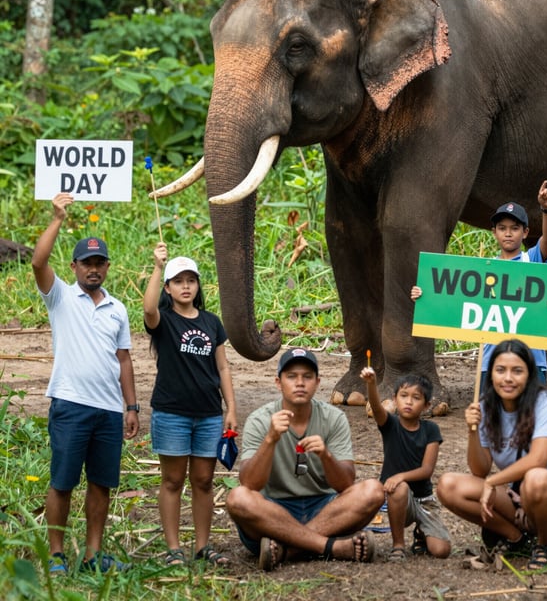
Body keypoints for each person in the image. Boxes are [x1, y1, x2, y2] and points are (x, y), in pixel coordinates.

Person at [31, 192, 139, 574]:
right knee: (62, 482)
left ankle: (93, 556)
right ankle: (56, 555)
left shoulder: (117, 308)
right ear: (74, 266)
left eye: (99, 263)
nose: (93, 269)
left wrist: (131, 406)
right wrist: (57, 219)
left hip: (108, 409)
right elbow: (38, 261)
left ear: (107, 266)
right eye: (86, 263)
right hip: (70, 404)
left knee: (101, 483)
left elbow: (124, 359)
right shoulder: (60, 297)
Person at [436, 339, 547, 571]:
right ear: (491, 374)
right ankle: (516, 538)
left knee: (536, 478)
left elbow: (538, 460)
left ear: (529, 374)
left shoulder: (545, 401)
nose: (508, 378)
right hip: (520, 501)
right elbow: (480, 470)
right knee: (448, 485)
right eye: (500, 370)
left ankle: (545, 546)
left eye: (517, 371)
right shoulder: (486, 407)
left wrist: (492, 482)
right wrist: (472, 431)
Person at [226, 347, 385, 570]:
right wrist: (270, 439)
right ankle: (331, 547)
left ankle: (287, 551)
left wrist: (326, 455)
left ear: (317, 383)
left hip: (324, 509)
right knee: (237, 498)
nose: (300, 383)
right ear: (278, 383)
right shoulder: (260, 420)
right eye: (291, 376)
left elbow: (345, 485)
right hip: (274, 511)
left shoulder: (334, 418)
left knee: (374, 490)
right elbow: (250, 484)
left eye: (307, 377)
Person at [143, 241, 237, 566]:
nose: (186, 286)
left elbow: (223, 368)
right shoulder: (164, 321)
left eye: (191, 280)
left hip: (209, 414)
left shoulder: (211, 322)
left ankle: (202, 546)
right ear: (168, 288)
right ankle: (173, 549)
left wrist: (231, 408)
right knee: (172, 481)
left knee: (204, 481)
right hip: (172, 413)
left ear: (197, 286)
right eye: (178, 281)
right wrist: (157, 267)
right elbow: (148, 310)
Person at [412, 181, 547, 384]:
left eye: (515, 228)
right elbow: (455, 301)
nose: (508, 233)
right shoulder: (484, 271)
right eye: (502, 228)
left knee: (533, 407)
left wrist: (546, 209)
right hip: (491, 363)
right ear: (494, 232)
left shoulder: (531, 260)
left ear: (525, 232)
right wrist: (425, 296)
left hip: (532, 360)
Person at [359, 368, 451, 562]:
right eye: (403, 396)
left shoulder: (431, 430)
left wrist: (400, 476)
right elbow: (376, 408)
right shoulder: (390, 425)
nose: (409, 402)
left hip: (424, 500)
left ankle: (422, 532)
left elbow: (427, 470)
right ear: (394, 399)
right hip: (399, 499)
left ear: (426, 406)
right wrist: (371, 384)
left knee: (441, 550)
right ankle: (398, 545)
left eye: (416, 398)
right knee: (399, 488)